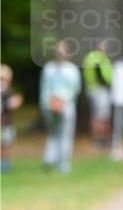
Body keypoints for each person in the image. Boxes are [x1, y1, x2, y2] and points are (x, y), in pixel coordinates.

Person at [40, 40, 81, 173]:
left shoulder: (70, 69)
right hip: (52, 106)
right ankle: (54, 160)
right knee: (57, 133)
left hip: (64, 105)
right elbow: (45, 89)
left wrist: (60, 101)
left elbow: (74, 90)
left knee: (60, 134)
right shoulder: (50, 68)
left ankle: (57, 161)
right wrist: (49, 103)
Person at [83, 40, 113, 147]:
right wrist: (108, 83)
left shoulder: (89, 57)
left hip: (92, 89)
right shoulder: (98, 58)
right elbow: (99, 73)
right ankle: (101, 140)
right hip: (99, 90)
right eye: (103, 45)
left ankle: (99, 140)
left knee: (97, 115)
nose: (105, 47)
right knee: (101, 117)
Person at [1, 64, 24, 172]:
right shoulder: (6, 90)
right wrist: (17, 101)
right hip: (4, 122)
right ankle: (4, 164)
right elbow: (9, 104)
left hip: (4, 122)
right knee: (5, 143)